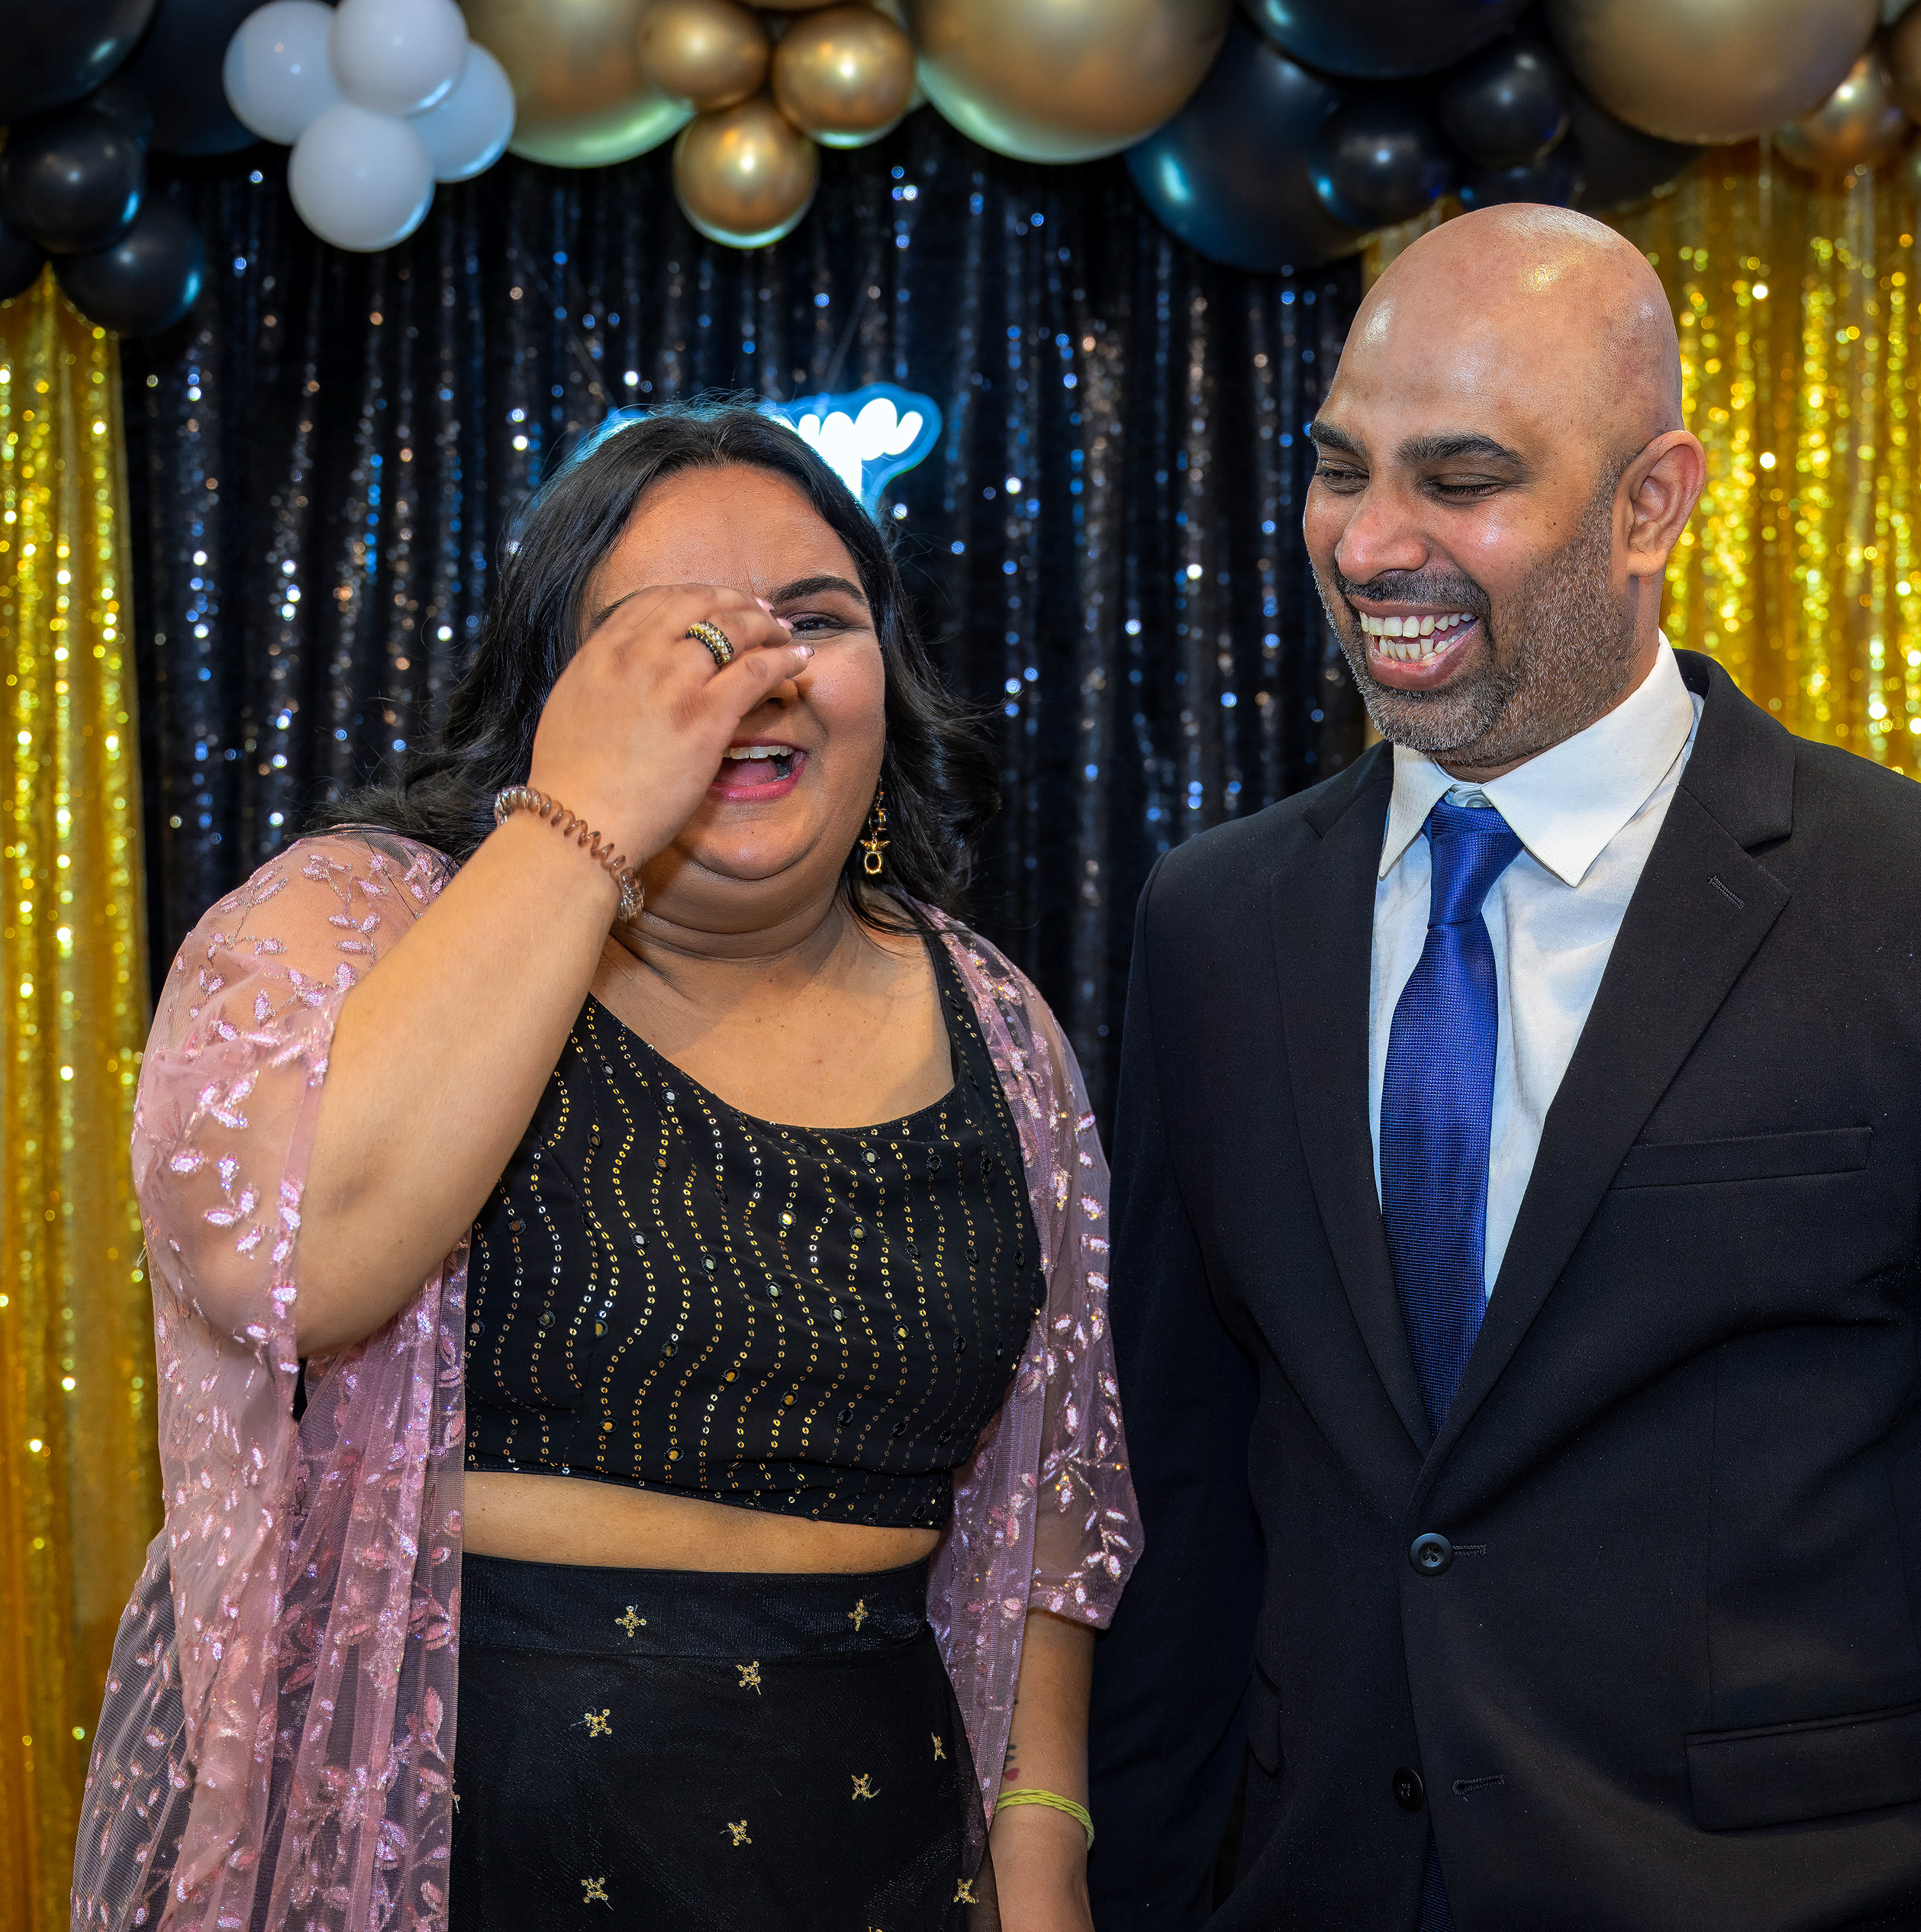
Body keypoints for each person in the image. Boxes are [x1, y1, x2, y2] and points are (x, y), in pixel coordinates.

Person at [1087, 204, 1921, 1932]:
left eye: (1462, 478)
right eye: (1342, 469)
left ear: (1652, 505)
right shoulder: (1214, 923)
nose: (1370, 542)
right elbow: (1176, 1503)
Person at [69, 407, 1136, 1932]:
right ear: (550, 687)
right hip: (458, 1861)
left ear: (887, 678)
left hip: (874, 1856)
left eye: (813, 621)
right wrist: (583, 825)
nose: (754, 673)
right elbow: (286, 1271)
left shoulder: (1000, 1023)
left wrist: (1043, 1854)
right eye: (670, 636)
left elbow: (1052, 1508)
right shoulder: (352, 925)